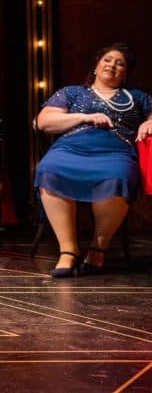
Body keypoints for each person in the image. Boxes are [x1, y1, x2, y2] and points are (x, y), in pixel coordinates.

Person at [34, 42, 152, 277]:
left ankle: (99, 248)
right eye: (108, 60)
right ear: (96, 67)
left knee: (118, 176)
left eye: (120, 64)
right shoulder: (73, 92)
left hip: (116, 151)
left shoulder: (137, 97)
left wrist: (149, 122)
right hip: (72, 147)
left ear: (125, 73)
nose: (113, 65)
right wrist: (84, 117)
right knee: (49, 169)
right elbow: (44, 122)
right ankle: (68, 251)